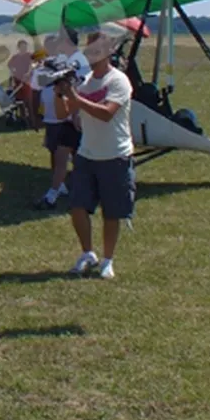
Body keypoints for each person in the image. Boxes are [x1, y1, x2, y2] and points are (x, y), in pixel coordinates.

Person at [58, 36, 134, 280]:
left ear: (108, 53)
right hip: (87, 153)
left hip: (115, 154)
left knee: (111, 212)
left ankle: (108, 260)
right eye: (88, 51)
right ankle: (87, 253)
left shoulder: (118, 81)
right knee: (77, 206)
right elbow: (63, 113)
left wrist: (76, 97)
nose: (91, 56)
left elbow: (107, 114)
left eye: (96, 51)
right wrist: (60, 91)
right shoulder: (85, 81)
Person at [34, 70, 80, 210]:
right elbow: (62, 114)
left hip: (89, 130)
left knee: (83, 164)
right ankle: (52, 195)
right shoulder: (58, 92)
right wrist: (59, 94)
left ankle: (84, 192)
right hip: (70, 127)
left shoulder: (85, 85)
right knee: (60, 160)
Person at [7, 39, 38, 128]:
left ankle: (32, 122)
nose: (24, 49)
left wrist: (29, 72)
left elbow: (34, 64)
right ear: (18, 47)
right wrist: (13, 72)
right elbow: (10, 66)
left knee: (29, 103)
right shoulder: (15, 57)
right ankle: (24, 122)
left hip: (27, 82)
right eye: (22, 47)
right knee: (20, 103)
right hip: (18, 82)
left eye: (25, 47)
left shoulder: (29, 56)